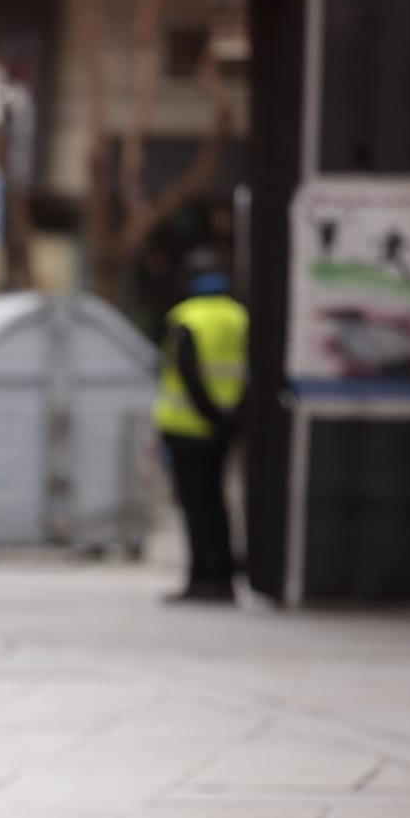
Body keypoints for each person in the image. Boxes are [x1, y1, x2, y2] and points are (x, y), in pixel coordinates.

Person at [154, 248, 249, 603]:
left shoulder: (185, 317)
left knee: (197, 507)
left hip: (187, 428)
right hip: (224, 428)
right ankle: (223, 577)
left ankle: (201, 579)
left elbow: (190, 377)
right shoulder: (240, 317)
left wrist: (210, 417)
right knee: (219, 504)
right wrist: (229, 420)